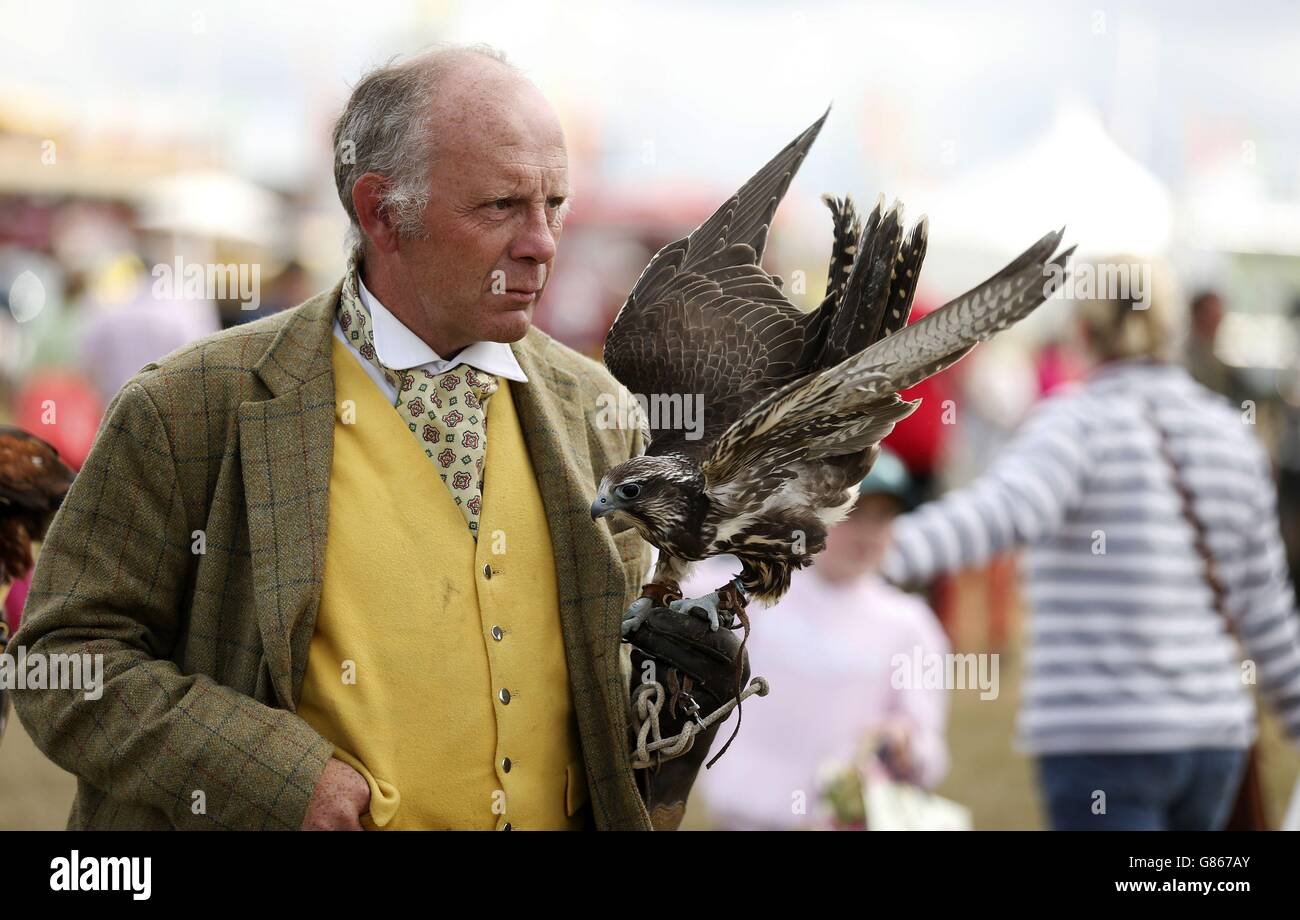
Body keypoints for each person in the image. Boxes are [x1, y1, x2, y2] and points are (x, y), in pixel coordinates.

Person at [8, 44, 709, 831]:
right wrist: (274, 774)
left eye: (555, 204)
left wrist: (668, 677)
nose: (542, 241)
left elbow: (604, 677)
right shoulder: (189, 407)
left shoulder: (599, 409)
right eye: (501, 205)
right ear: (382, 212)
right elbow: (60, 660)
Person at [881, 257, 1300, 830]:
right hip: (1213, 739)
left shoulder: (1074, 425)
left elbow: (995, 515)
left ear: (1081, 332)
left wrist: (867, 551)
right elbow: (1266, 608)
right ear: (1171, 328)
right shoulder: (1230, 433)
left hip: (1104, 737)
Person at [684, 449, 951, 830]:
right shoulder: (757, 589)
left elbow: (930, 752)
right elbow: (668, 581)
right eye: (853, 516)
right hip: (743, 814)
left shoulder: (908, 625)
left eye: (882, 519)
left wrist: (906, 744)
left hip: (835, 819)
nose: (868, 533)